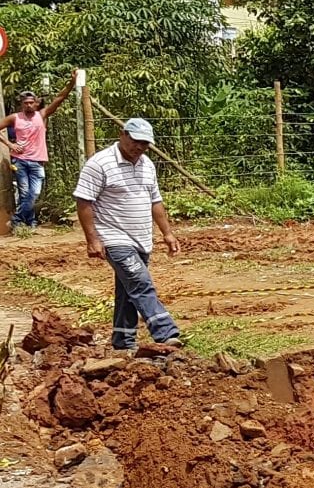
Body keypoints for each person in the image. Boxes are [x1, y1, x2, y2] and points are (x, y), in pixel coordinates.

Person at [74, 117, 181, 352]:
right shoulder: (100, 164)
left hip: (141, 238)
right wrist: (92, 239)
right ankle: (165, 332)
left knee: (128, 289)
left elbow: (155, 201)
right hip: (114, 237)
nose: (140, 148)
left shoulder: (147, 165)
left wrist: (167, 233)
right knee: (140, 283)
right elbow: (83, 202)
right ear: (123, 134)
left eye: (145, 144)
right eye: (136, 141)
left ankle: (123, 341)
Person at [4, 75, 76, 233]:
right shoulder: (15, 118)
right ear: (21, 104)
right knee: (24, 193)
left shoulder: (41, 115)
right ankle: (30, 223)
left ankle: (17, 219)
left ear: (35, 103)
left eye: (31, 102)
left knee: (34, 193)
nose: (29, 105)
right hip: (20, 161)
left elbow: (60, 98)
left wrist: (71, 83)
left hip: (37, 161)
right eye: (26, 103)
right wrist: (10, 144)